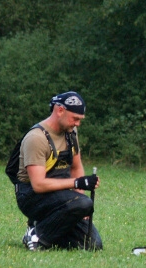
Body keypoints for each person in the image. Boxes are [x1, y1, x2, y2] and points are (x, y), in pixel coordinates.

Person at [15, 91, 102, 251]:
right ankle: (37, 236)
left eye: (80, 120)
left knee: (92, 245)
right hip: (31, 196)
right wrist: (77, 189)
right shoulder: (36, 138)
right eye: (75, 118)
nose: (78, 124)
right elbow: (38, 185)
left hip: (59, 195)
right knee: (83, 203)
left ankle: (46, 227)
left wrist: (81, 208)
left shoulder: (71, 133)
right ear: (60, 110)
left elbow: (76, 167)